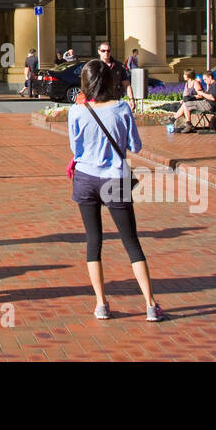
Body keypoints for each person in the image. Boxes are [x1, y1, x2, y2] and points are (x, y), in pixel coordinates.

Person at [67, 58, 163, 321]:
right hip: (114, 179)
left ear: (85, 83)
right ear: (109, 81)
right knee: (131, 242)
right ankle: (151, 305)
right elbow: (136, 146)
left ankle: (100, 304)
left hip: (86, 178)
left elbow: (75, 150)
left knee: (93, 241)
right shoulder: (121, 108)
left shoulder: (76, 111)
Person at [97, 42, 134, 109]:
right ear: (99, 51)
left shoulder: (118, 66)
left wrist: (131, 99)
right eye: (103, 51)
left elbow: (126, 84)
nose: (106, 52)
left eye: (108, 51)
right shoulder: (94, 66)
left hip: (114, 100)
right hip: (98, 101)